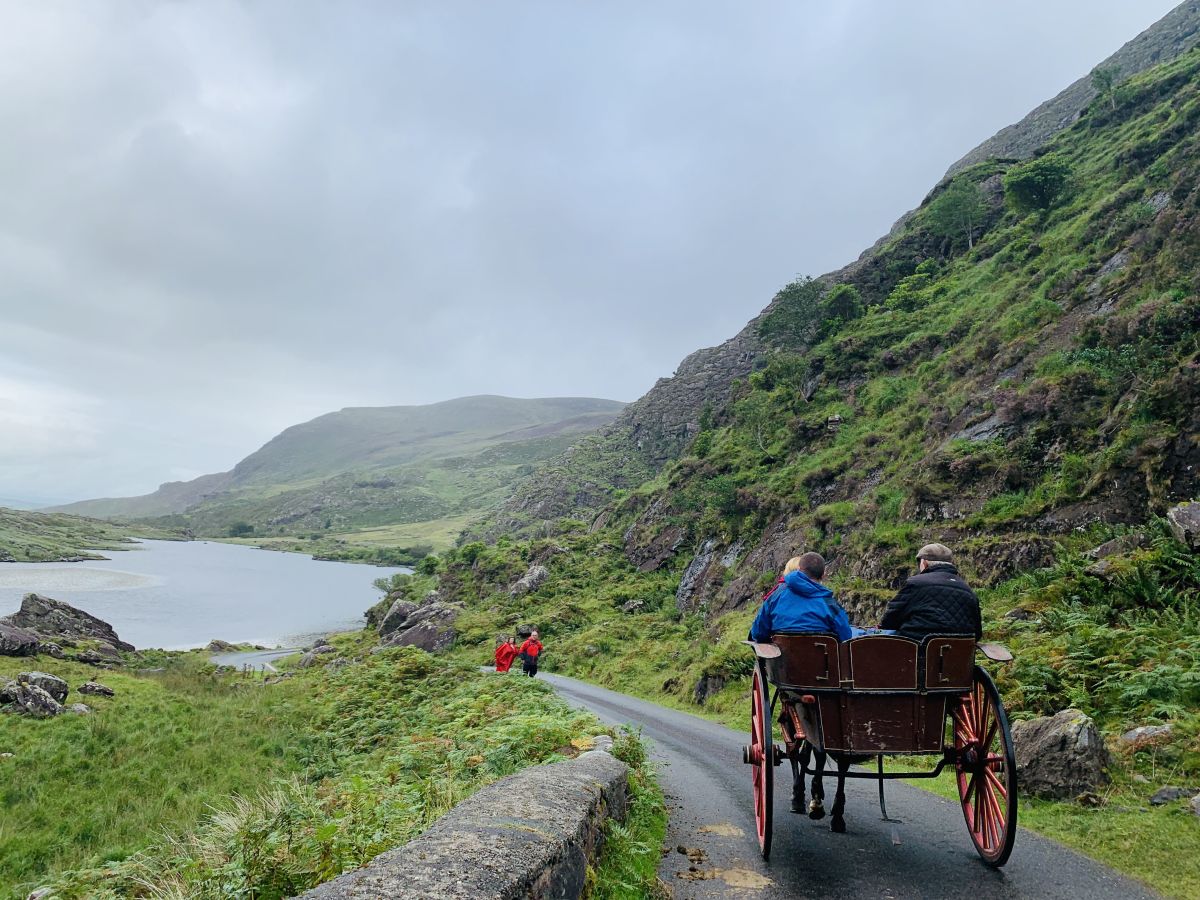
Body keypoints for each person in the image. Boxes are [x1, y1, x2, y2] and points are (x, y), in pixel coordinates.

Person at [880, 543, 981, 639]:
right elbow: (977, 632)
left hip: (918, 651)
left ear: (924, 562)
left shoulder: (916, 583)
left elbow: (890, 621)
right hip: (958, 653)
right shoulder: (967, 589)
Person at [749, 552, 854, 643]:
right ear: (823, 575)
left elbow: (757, 633)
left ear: (799, 569)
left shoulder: (775, 596)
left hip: (782, 664)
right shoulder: (829, 604)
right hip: (822, 665)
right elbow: (846, 637)